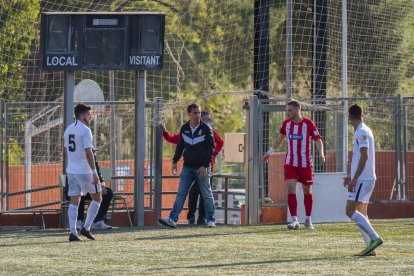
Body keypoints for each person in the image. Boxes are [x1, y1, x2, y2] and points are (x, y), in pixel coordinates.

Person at [262, 100, 325, 230]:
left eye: (290, 110)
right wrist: (269, 153)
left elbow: (318, 140)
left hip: (305, 163)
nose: (288, 113)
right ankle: (294, 219)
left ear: (297, 110)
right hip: (290, 162)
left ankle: (308, 219)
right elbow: (279, 140)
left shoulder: (308, 124)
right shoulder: (286, 124)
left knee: (307, 191)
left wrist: (321, 153)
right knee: (291, 189)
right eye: (287, 110)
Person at [159, 103, 216, 228]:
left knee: (207, 194)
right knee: (181, 193)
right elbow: (180, 146)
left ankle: (211, 219)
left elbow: (211, 149)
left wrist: (205, 166)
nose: (198, 115)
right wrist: (175, 161)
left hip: (202, 167)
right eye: (195, 112)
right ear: (189, 114)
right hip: (187, 168)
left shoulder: (206, 128)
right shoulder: (184, 128)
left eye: (199, 112)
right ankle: (173, 219)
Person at [343, 104, 383, 256]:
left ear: (350, 118)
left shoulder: (362, 132)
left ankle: (375, 238)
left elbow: (365, 156)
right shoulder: (364, 130)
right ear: (362, 115)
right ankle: (370, 247)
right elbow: (361, 157)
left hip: (363, 179)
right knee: (361, 212)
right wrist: (351, 177)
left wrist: (355, 179)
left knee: (349, 210)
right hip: (364, 178)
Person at [64, 104, 102, 241]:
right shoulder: (85, 130)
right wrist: (94, 172)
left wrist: (74, 162)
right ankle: (86, 228)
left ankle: (73, 233)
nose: (90, 116)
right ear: (81, 116)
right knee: (97, 198)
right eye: (88, 114)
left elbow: (65, 151)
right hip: (84, 170)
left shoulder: (68, 129)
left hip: (71, 170)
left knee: (74, 201)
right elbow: (87, 152)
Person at [76, 149, 113, 230]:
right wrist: (97, 188)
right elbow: (80, 181)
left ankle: (98, 221)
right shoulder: (78, 162)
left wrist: (101, 186)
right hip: (81, 189)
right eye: (91, 152)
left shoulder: (94, 163)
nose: (93, 155)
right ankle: (79, 221)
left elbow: (100, 178)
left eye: (93, 153)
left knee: (108, 192)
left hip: (93, 189)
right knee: (80, 193)